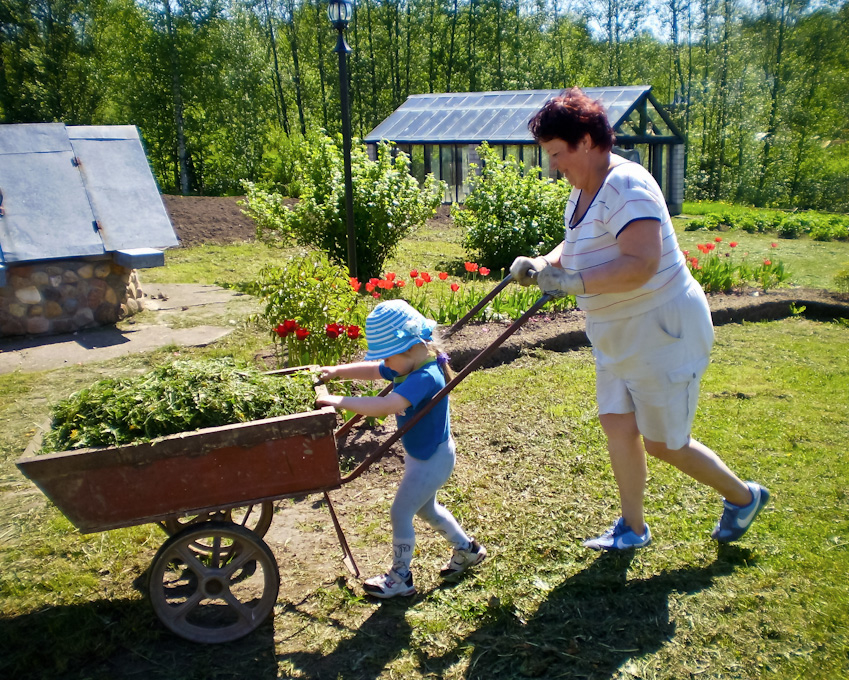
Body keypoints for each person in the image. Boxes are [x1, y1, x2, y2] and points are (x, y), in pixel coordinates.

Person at [510, 87, 770, 551]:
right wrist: (543, 263)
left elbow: (641, 263)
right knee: (617, 424)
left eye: (556, 153)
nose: (553, 165)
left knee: (665, 443)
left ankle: (743, 496)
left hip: (659, 329)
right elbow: (574, 249)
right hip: (615, 335)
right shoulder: (583, 191)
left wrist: (572, 283)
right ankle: (632, 528)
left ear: (586, 141)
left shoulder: (626, 184)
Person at [316, 299, 486, 597]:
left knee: (400, 513)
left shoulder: (425, 376)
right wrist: (337, 372)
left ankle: (400, 578)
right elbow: (374, 370)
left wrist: (338, 401)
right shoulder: (409, 364)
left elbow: (387, 405)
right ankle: (468, 550)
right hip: (426, 456)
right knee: (427, 510)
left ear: (409, 349)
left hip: (431, 460)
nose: (386, 364)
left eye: (389, 357)